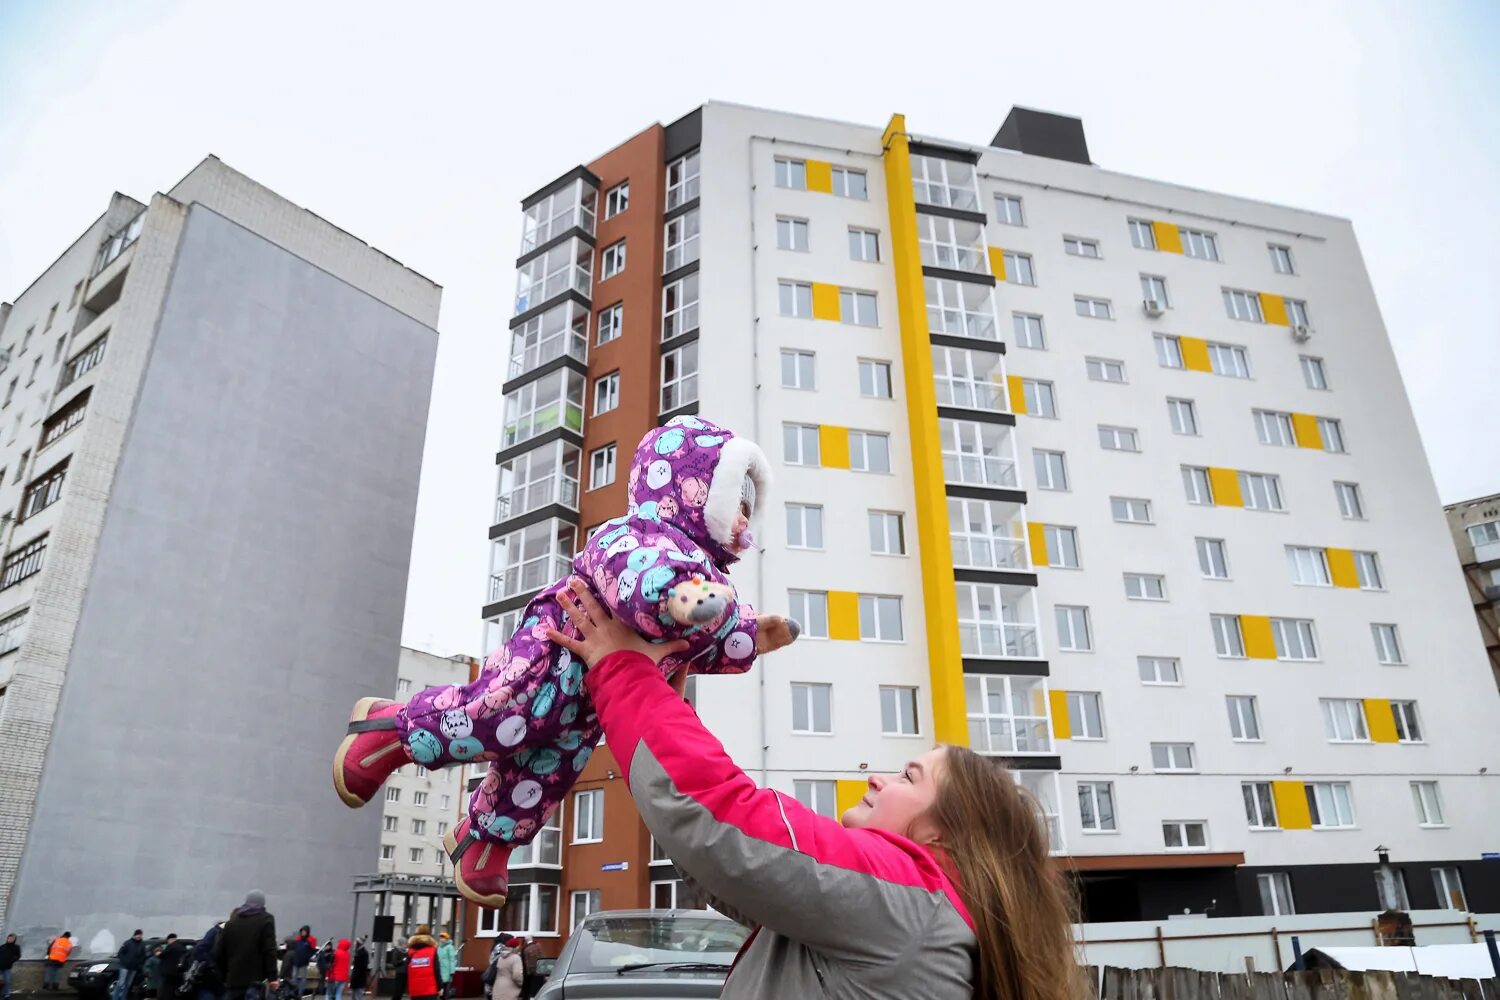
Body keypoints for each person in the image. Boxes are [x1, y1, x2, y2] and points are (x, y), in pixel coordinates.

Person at [331, 419, 799, 910]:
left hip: (594, 697)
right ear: (696, 493)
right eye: (734, 506)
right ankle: (390, 730)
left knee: (547, 772)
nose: (743, 522)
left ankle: (485, 840)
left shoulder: (711, 580)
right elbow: (640, 581)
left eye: (748, 512)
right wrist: (682, 599)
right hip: (554, 649)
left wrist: (747, 634)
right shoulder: (637, 535)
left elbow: (703, 640)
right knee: (496, 711)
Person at [550, 578, 1083, 1000]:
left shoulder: (908, 904)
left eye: (909, 777)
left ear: (945, 830)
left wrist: (621, 670)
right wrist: (661, 702)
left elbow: (721, 817)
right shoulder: (910, 920)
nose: (879, 777)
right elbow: (727, 868)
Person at [214, 892, 279, 1000]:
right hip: (256, 982)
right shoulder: (266, 919)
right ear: (262, 903)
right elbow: (269, 950)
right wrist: (273, 977)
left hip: (233, 982)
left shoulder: (231, 923)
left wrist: (225, 975)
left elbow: (218, 953)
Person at [187, 922, 225, 1000]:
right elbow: (199, 951)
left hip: (215, 979)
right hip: (211, 979)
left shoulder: (215, 932)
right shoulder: (216, 932)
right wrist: (212, 965)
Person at [403, 929, 437, 1000]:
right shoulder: (433, 951)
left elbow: (406, 970)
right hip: (430, 990)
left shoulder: (410, 952)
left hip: (415, 990)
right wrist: (440, 987)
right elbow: (437, 970)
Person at [116, 930, 148, 1000]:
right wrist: (125, 961)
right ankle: (115, 998)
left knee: (128, 985)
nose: (139, 936)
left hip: (133, 968)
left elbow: (143, 956)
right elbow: (120, 953)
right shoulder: (128, 943)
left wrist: (139, 962)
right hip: (124, 967)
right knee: (121, 983)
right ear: (134, 935)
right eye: (138, 935)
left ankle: (123, 998)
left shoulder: (142, 945)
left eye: (140, 935)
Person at [287, 928, 315, 998]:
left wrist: (308, 957)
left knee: (303, 979)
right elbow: (294, 950)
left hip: (304, 963)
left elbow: (311, 951)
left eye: (304, 932)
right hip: (296, 962)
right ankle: (292, 991)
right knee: (294, 978)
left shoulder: (308, 942)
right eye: (302, 932)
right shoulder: (297, 941)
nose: (303, 933)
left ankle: (300, 993)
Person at [160, 934, 189, 1000]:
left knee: (168, 989)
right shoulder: (182, 947)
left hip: (169, 972)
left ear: (170, 939)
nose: (168, 942)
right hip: (179, 972)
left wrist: (159, 954)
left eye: (168, 941)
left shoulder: (170, 946)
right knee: (177, 987)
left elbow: (162, 955)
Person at [0, 933, 21, 1000]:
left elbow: (18, 956)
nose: (10, 939)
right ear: (7, 938)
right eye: (9, 938)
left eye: (12, 938)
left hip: (7, 967)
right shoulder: (2, 946)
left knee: (7, 981)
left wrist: (12, 960)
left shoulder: (16, 947)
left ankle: (7, 994)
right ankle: (2, 993)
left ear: (14, 940)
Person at [435, 934, 455, 1000]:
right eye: (441, 937)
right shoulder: (439, 947)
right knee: (440, 989)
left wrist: (452, 971)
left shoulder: (450, 947)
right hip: (440, 970)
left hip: (447, 971)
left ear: (446, 938)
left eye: (443, 937)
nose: (441, 939)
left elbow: (452, 959)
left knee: (446, 990)